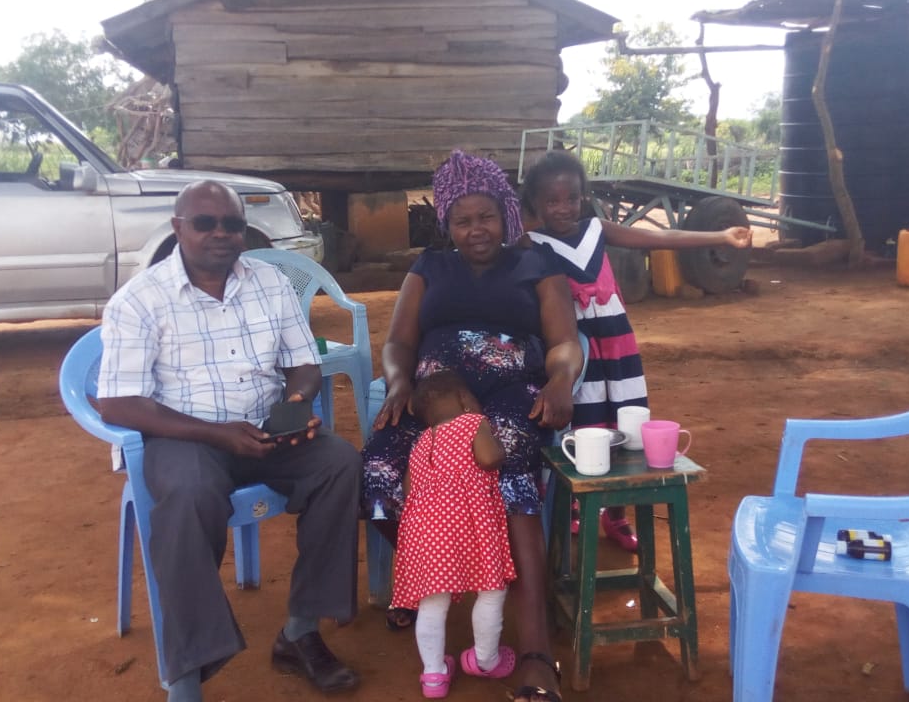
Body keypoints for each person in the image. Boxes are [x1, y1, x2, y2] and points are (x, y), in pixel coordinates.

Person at [97, 180, 362, 701]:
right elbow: (119, 404)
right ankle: (191, 672)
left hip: (265, 427)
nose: (221, 234)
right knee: (188, 495)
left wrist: (295, 406)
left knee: (339, 463)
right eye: (205, 223)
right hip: (185, 437)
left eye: (232, 224)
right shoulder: (139, 300)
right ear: (178, 229)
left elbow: (303, 364)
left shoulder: (268, 282)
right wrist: (217, 434)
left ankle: (300, 630)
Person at [364, 150, 583, 702]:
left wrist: (561, 383)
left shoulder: (536, 264)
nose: (475, 229)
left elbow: (562, 342)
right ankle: (436, 571)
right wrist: (396, 383)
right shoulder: (428, 268)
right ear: (447, 223)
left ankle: (534, 654)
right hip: (434, 398)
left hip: (513, 392)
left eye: (485, 216)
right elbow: (398, 342)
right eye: (462, 220)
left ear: (506, 212)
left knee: (507, 472)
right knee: (378, 470)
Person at [520, 149, 752, 552]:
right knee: (581, 426)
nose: (563, 208)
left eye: (571, 198)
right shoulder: (530, 245)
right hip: (576, 351)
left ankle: (616, 515)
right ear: (535, 204)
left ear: (583, 196)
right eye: (552, 201)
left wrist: (720, 235)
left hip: (619, 345)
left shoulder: (597, 229)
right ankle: (575, 508)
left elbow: (659, 237)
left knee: (625, 425)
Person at [393, 370, 517, 698]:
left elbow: (408, 490)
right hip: (473, 525)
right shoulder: (472, 422)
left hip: (423, 531)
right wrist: (500, 448)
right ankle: (485, 660)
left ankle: (433, 676)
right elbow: (489, 458)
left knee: (432, 602)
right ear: (465, 400)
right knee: (490, 590)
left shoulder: (422, 442)